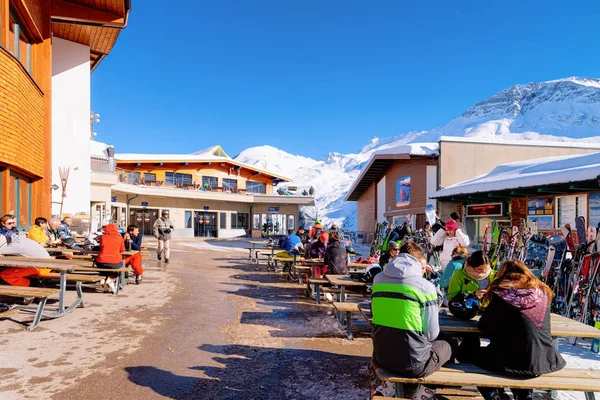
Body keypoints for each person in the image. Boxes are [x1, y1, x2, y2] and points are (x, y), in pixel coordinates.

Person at [458, 260, 566, 400]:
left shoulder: (502, 294)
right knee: (519, 352)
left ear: (503, 276)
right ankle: (523, 395)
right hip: (543, 359)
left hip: (512, 361)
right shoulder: (541, 293)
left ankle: (493, 395)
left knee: (465, 353)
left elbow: (485, 326)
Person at [371, 241, 457, 381]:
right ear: (418, 262)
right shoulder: (425, 287)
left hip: (381, 356)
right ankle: (436, 386)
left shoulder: (378, 279)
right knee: (450, 344)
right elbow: (431, 334)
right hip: (413, 365)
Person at [95, 224, 125, 294]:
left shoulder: (102, 237)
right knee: (121, 265)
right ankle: (111, 278)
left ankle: (103, 278)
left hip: (101, 262)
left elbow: (101, 247)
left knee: (104, 265)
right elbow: (122, 250)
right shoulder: (119, 237)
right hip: (115, 262)